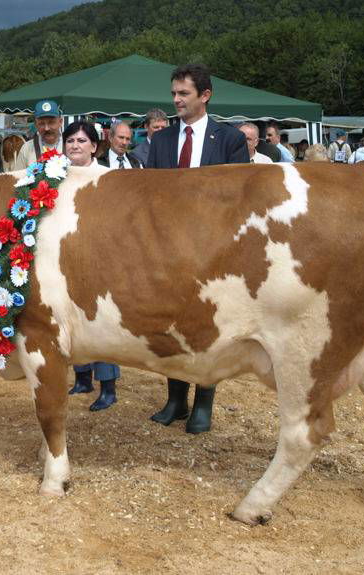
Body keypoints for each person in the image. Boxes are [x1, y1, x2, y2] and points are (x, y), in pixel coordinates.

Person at [146, 63, 249, 434]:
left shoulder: (230, 140)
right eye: (173, 93)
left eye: (183, 94)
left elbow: (239, 198)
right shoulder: (159, 141)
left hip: (214, 251)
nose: (176, 100)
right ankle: (175, 399)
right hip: (170, 250)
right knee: (172, 323)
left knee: (207, 327)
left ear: (205, 96)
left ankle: (204, 401)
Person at [60, 120, 121, 411]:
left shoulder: (107, 177)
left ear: (94, 146)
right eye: (70, 141)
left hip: (100, 260)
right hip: (66, 259)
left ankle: (108, 387)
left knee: (100, 324)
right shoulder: (55, 175)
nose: (75, 146)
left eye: (81, 141)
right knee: (73, 320)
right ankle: (82, 377)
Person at [12, 99, 63, 170]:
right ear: (36, 124)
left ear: (60, 122)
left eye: (51, 122)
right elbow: (17, 178)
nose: (46, 128)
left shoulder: (70, 146)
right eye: (41, 123)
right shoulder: (26, 148)